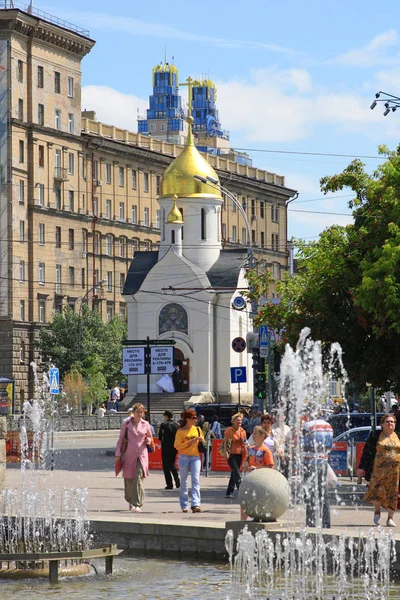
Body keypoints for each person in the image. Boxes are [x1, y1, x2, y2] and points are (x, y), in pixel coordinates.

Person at [357, 414, 400, 527]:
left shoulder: (398, 436)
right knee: (377, 491)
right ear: (382, 424)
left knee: (393, 494)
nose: (390, 424)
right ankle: (377, 512)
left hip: (395, 472)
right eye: (387, 422)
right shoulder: (376, 435)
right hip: (378, 470)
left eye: (392, 422)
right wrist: (361, 467)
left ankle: (390, 518)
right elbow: (367, 451)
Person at [115, 402, 154, 513]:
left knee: (138, 477)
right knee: (129, 479)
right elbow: (121, 440)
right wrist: (118, 454)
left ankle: (137, 503)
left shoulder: (146, 424)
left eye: (141, 412)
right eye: (138, 412)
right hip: (129, 454)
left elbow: (150, 438)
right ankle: (130, 500)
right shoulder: (126, 424)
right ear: (133, 412)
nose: (140, 414)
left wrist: (148, 440)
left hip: (141, 455)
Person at [302, 410, 333, 528]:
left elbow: (304, 445)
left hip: (310, 462)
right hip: (323, 462)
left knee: (310, 493)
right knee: (323, 493)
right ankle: (326, 523)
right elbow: (330, 446)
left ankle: (311, 522)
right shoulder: (328, 426)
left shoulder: (308, 426)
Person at [240, 425, 274, 520]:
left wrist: (257, 468)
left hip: (261, 481)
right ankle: (242, 523)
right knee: (245, 502)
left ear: (262, 436)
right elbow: (245, 463)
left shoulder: (266, 450)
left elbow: (271, 466)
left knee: (259, 502)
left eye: (256, 434)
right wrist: (246, 466)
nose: (253, 436)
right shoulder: (251, 449)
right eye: (253, 433)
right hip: (249, 479)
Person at [174, 408, 204, 513]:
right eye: (193, 418)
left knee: (196, 480)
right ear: (187, 419)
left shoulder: (198, 429)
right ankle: (184, 504)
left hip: (195, 457)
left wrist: (201, 440)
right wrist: (189, 442)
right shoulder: (180, 431)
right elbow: (177, 445)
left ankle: (196, 504)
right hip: (184, 457)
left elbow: (202, 441)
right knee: (184, 481)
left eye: (196, 417)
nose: (195, 420)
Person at [223, 412, 247, 499]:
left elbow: (245, 442)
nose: (239, 422)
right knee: (236, 472)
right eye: (238, 420)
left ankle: (229, 492)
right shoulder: (229, 431)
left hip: (240, 454)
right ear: (233, 421)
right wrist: (226, 452)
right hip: (231, 454)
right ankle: (241, 490)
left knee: (234, 473)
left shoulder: (242, 431)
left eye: (240, 421)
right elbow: (225, 442)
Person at [158, 410, 180, 490]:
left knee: (166, 466)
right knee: (172, 464)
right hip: (174, 447)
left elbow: (160, 437)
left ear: (166, 416)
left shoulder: (163, 425)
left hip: (166, 447)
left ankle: (169, 484)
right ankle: (177, 480)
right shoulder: (177, 425)